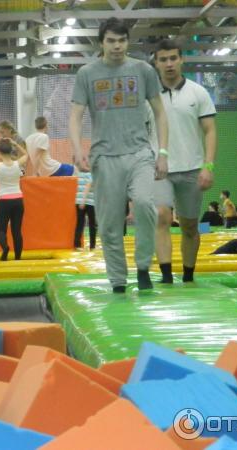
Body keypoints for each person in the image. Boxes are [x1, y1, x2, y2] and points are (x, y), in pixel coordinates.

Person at [69, 17, 169, 293]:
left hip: (139, 153)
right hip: (104, 156)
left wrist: (162, 152)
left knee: (145, 203)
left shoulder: (143, 70)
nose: (117, 46)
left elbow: (160, 113)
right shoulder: (87, 74)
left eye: (122, 40)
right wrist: (76, 148)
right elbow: (75, 115)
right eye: (111, 41)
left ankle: (143, 267)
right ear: (101, 43)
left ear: (128, 42)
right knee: (109, 224)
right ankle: (118, 280)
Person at [152, 39, 218, 284]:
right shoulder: (149, 95)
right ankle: (166, 276)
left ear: (181, 60)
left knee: (189, 225)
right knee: (162, 216)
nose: (169, 64)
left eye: (173, 58)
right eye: (163, 59)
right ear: (156, 63)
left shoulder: (198, 92)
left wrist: (208, 166)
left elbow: (210, 130)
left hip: (192, 169)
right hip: (159, 169)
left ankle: (188, 275)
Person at [0, 137, 28, 261]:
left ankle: (5, 248)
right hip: (18, 200)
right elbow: (26, 155)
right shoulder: (17, 164)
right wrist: (15, 143)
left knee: (0, 229)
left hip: (4, 201)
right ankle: (18, 258)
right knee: (16, 231)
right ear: (10, 151)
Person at [74, 169, 97, 250]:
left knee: (79, 223)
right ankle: (92, 246)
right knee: (92, 224)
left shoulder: (78, 174)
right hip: (89, 202)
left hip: (78, 201)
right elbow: (88, 185)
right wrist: (83, 200)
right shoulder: (92, 174)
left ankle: (77, 245)